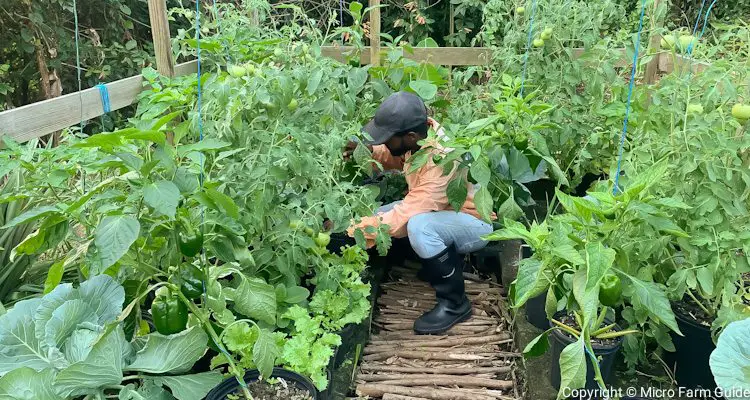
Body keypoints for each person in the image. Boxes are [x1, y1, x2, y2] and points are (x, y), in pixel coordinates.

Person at [343, 91, 496, 335]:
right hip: (445, 214)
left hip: (474, 224)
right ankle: (436, 263)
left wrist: (352, 231)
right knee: (380, 213)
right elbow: (396, 157)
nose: (382, 141)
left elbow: (408, 214)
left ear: (410, 136)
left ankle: (456, 304)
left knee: (418, 226)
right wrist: (366, 152)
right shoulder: (420, 138)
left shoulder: (440, 159)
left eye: (387, 137)